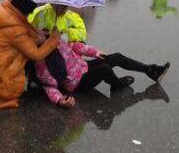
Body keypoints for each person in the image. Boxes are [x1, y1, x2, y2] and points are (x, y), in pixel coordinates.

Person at [35, 40, 170, 108]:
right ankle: (116, 84)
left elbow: (74, 46)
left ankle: (151, 71)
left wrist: (94, 52)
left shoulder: (54, 40)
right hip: (77, 83)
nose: (41, 33)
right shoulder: (41, 64)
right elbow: (49, 86)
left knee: (116, 57)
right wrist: (60, 100)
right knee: (104, 69)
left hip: (83, 66)